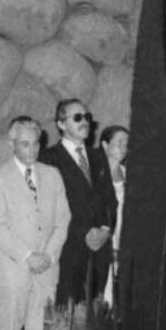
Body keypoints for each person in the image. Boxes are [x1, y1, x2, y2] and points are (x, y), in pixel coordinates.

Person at [0, 116, 69, 330]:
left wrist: (47, 255)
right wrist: (27, 256)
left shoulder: (53, 174)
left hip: (47, 269)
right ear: (12, 145)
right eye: (25, 144)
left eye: (35, 143)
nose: (32, 149)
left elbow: (63, 221)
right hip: (13, 269)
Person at [39, 98, 117, 305]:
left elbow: (110, 199)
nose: (85, 122)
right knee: (66, 319)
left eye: (87, 117)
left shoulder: (98, 156)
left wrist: (105, 229)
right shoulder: (48, 158)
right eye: (77, 117)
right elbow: (50, 209)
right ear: (61, 124)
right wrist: (84, 232)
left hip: (99, 252)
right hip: (68, 250)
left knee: (94, 321)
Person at [101, 124, 130, 307]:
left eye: (126, 143)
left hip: (124, 243)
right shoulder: (97, 173)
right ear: (105, 144)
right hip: (105, 243)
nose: (123, 147)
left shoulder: (129, 174)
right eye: (118, 142)